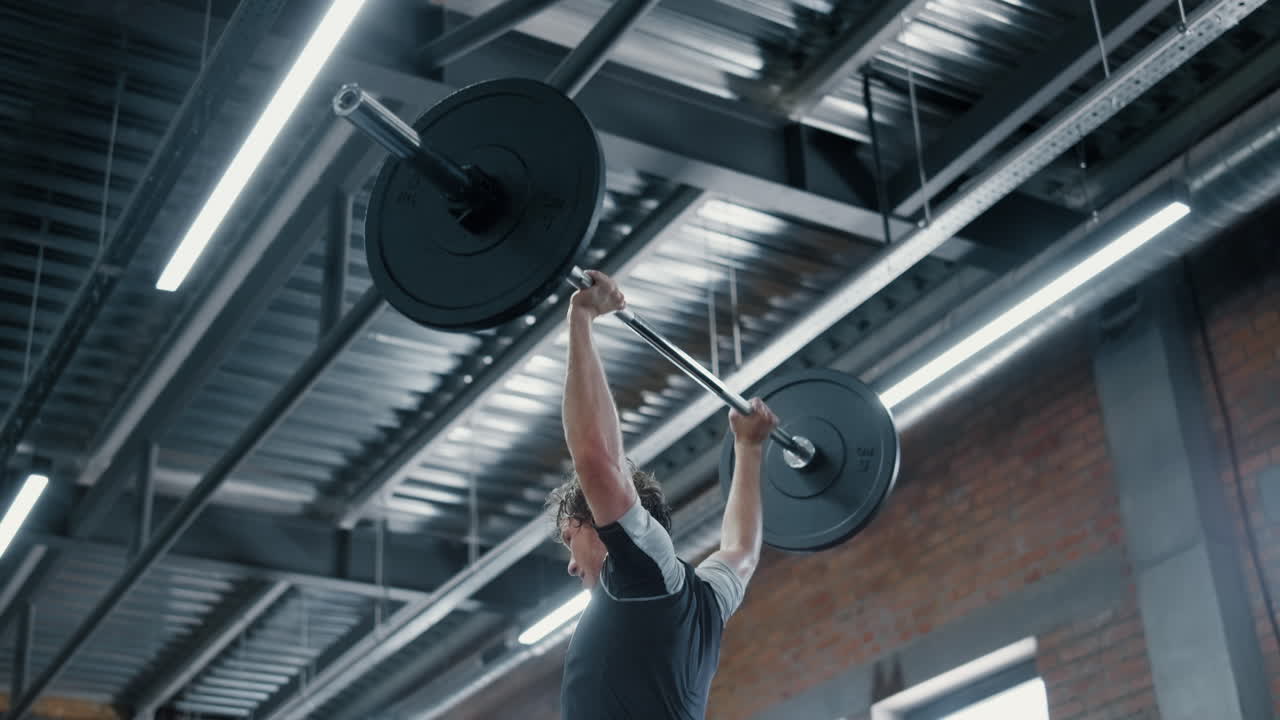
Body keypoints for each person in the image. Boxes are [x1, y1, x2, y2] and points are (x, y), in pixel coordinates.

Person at [549, 269, 779, 719]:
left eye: (568, 539)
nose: (572, 564)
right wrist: (748, 448)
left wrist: (582, 316)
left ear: (599, 523)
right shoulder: (703, 600)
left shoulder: (644, 572)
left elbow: (596, 458)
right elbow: (741, 551)